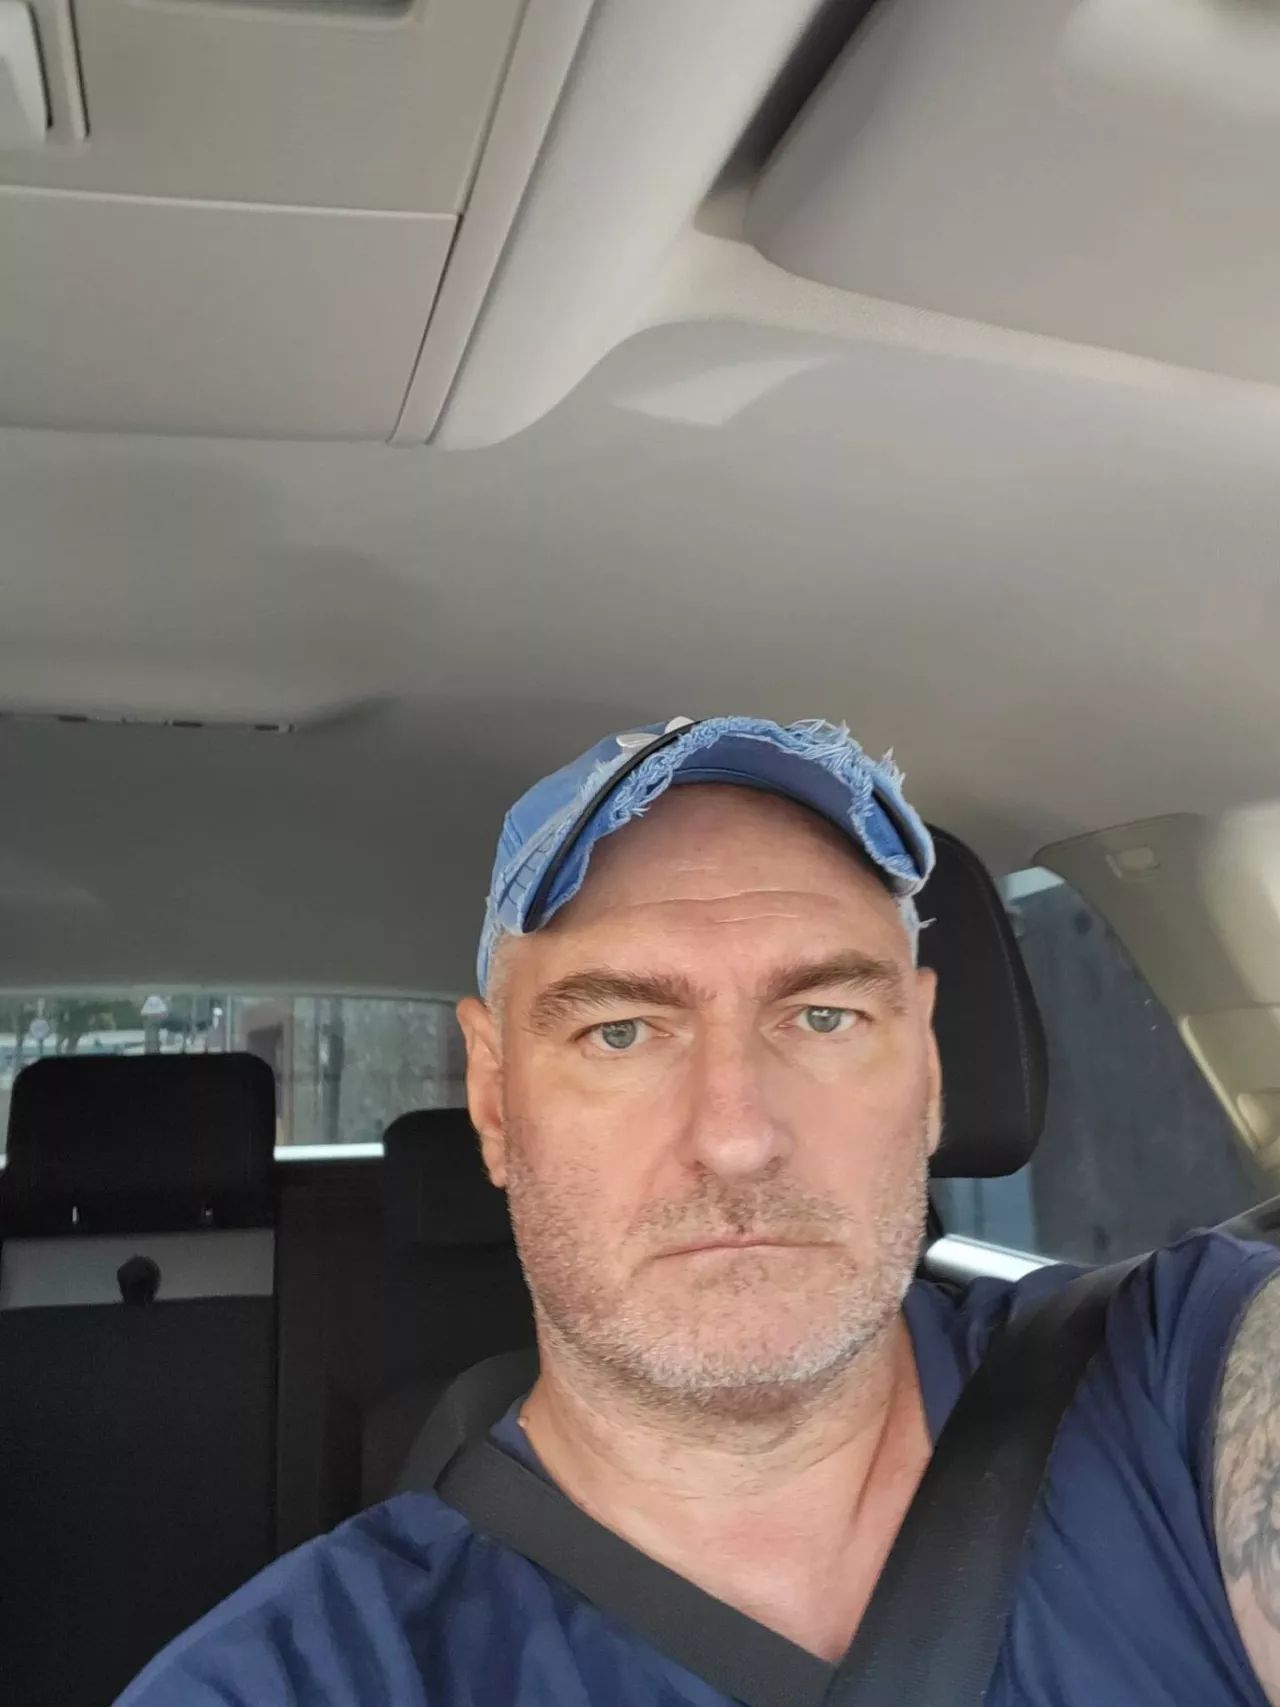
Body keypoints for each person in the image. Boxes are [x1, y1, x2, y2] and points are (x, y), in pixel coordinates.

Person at [120, 716, 1280, 1706]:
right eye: (619, 1031)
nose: (735, 1135)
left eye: (821, 1017)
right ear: (494, 1100)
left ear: (924, 1066)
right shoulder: (303, 1677)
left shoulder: (1172, 1382)